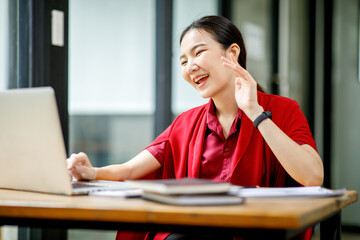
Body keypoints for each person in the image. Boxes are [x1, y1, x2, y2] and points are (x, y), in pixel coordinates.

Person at [67, 15, 323, 240]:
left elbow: (312, 177)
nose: (190, 67)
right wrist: (92, 173)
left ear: (232, 54)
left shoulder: (283, 109)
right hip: (192, 231)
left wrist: (255, 112)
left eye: (198, 53)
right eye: (183, 61)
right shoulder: (186, 123)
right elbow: (132, 169)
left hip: (252, 232)